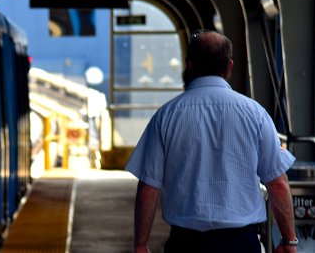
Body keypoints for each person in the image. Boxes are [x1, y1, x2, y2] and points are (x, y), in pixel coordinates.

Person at [125, 30, 297, 253]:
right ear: (229, 67)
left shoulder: (166, 115)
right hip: (240, 243)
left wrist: (140, 245)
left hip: (185, 244)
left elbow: (149, 187)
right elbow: (278, 183)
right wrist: (289, 240)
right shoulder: (255, 114)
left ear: (189, 65)